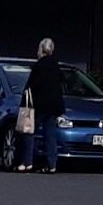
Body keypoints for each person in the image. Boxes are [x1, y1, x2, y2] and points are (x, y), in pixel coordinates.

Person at [24, 37, 65, 173]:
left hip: (39, 106)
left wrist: (26, 104)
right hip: (53, 107)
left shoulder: (39, 66)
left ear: (42, 50)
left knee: (30, 132)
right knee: (50, 136)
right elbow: (59, 87)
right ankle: (51, 164)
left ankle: (29, 162)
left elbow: (31, 86)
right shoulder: (56, 66)